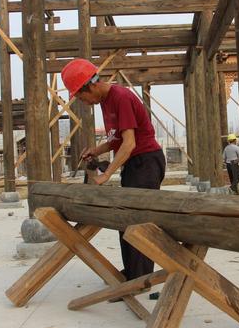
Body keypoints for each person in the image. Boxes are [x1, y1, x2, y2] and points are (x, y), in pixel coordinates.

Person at [61, 58, 165, 280]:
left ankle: (141, 278)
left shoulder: (121, 97)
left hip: (146, 162)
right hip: (135, 163)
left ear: (91, 86)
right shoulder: (105, 101)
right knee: (124, 220)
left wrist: (106, 175)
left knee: (138, 221)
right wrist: (96, 151)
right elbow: (117, 139)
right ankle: (132, 273)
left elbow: (130, 144)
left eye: (81, 96)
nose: (84, 102)